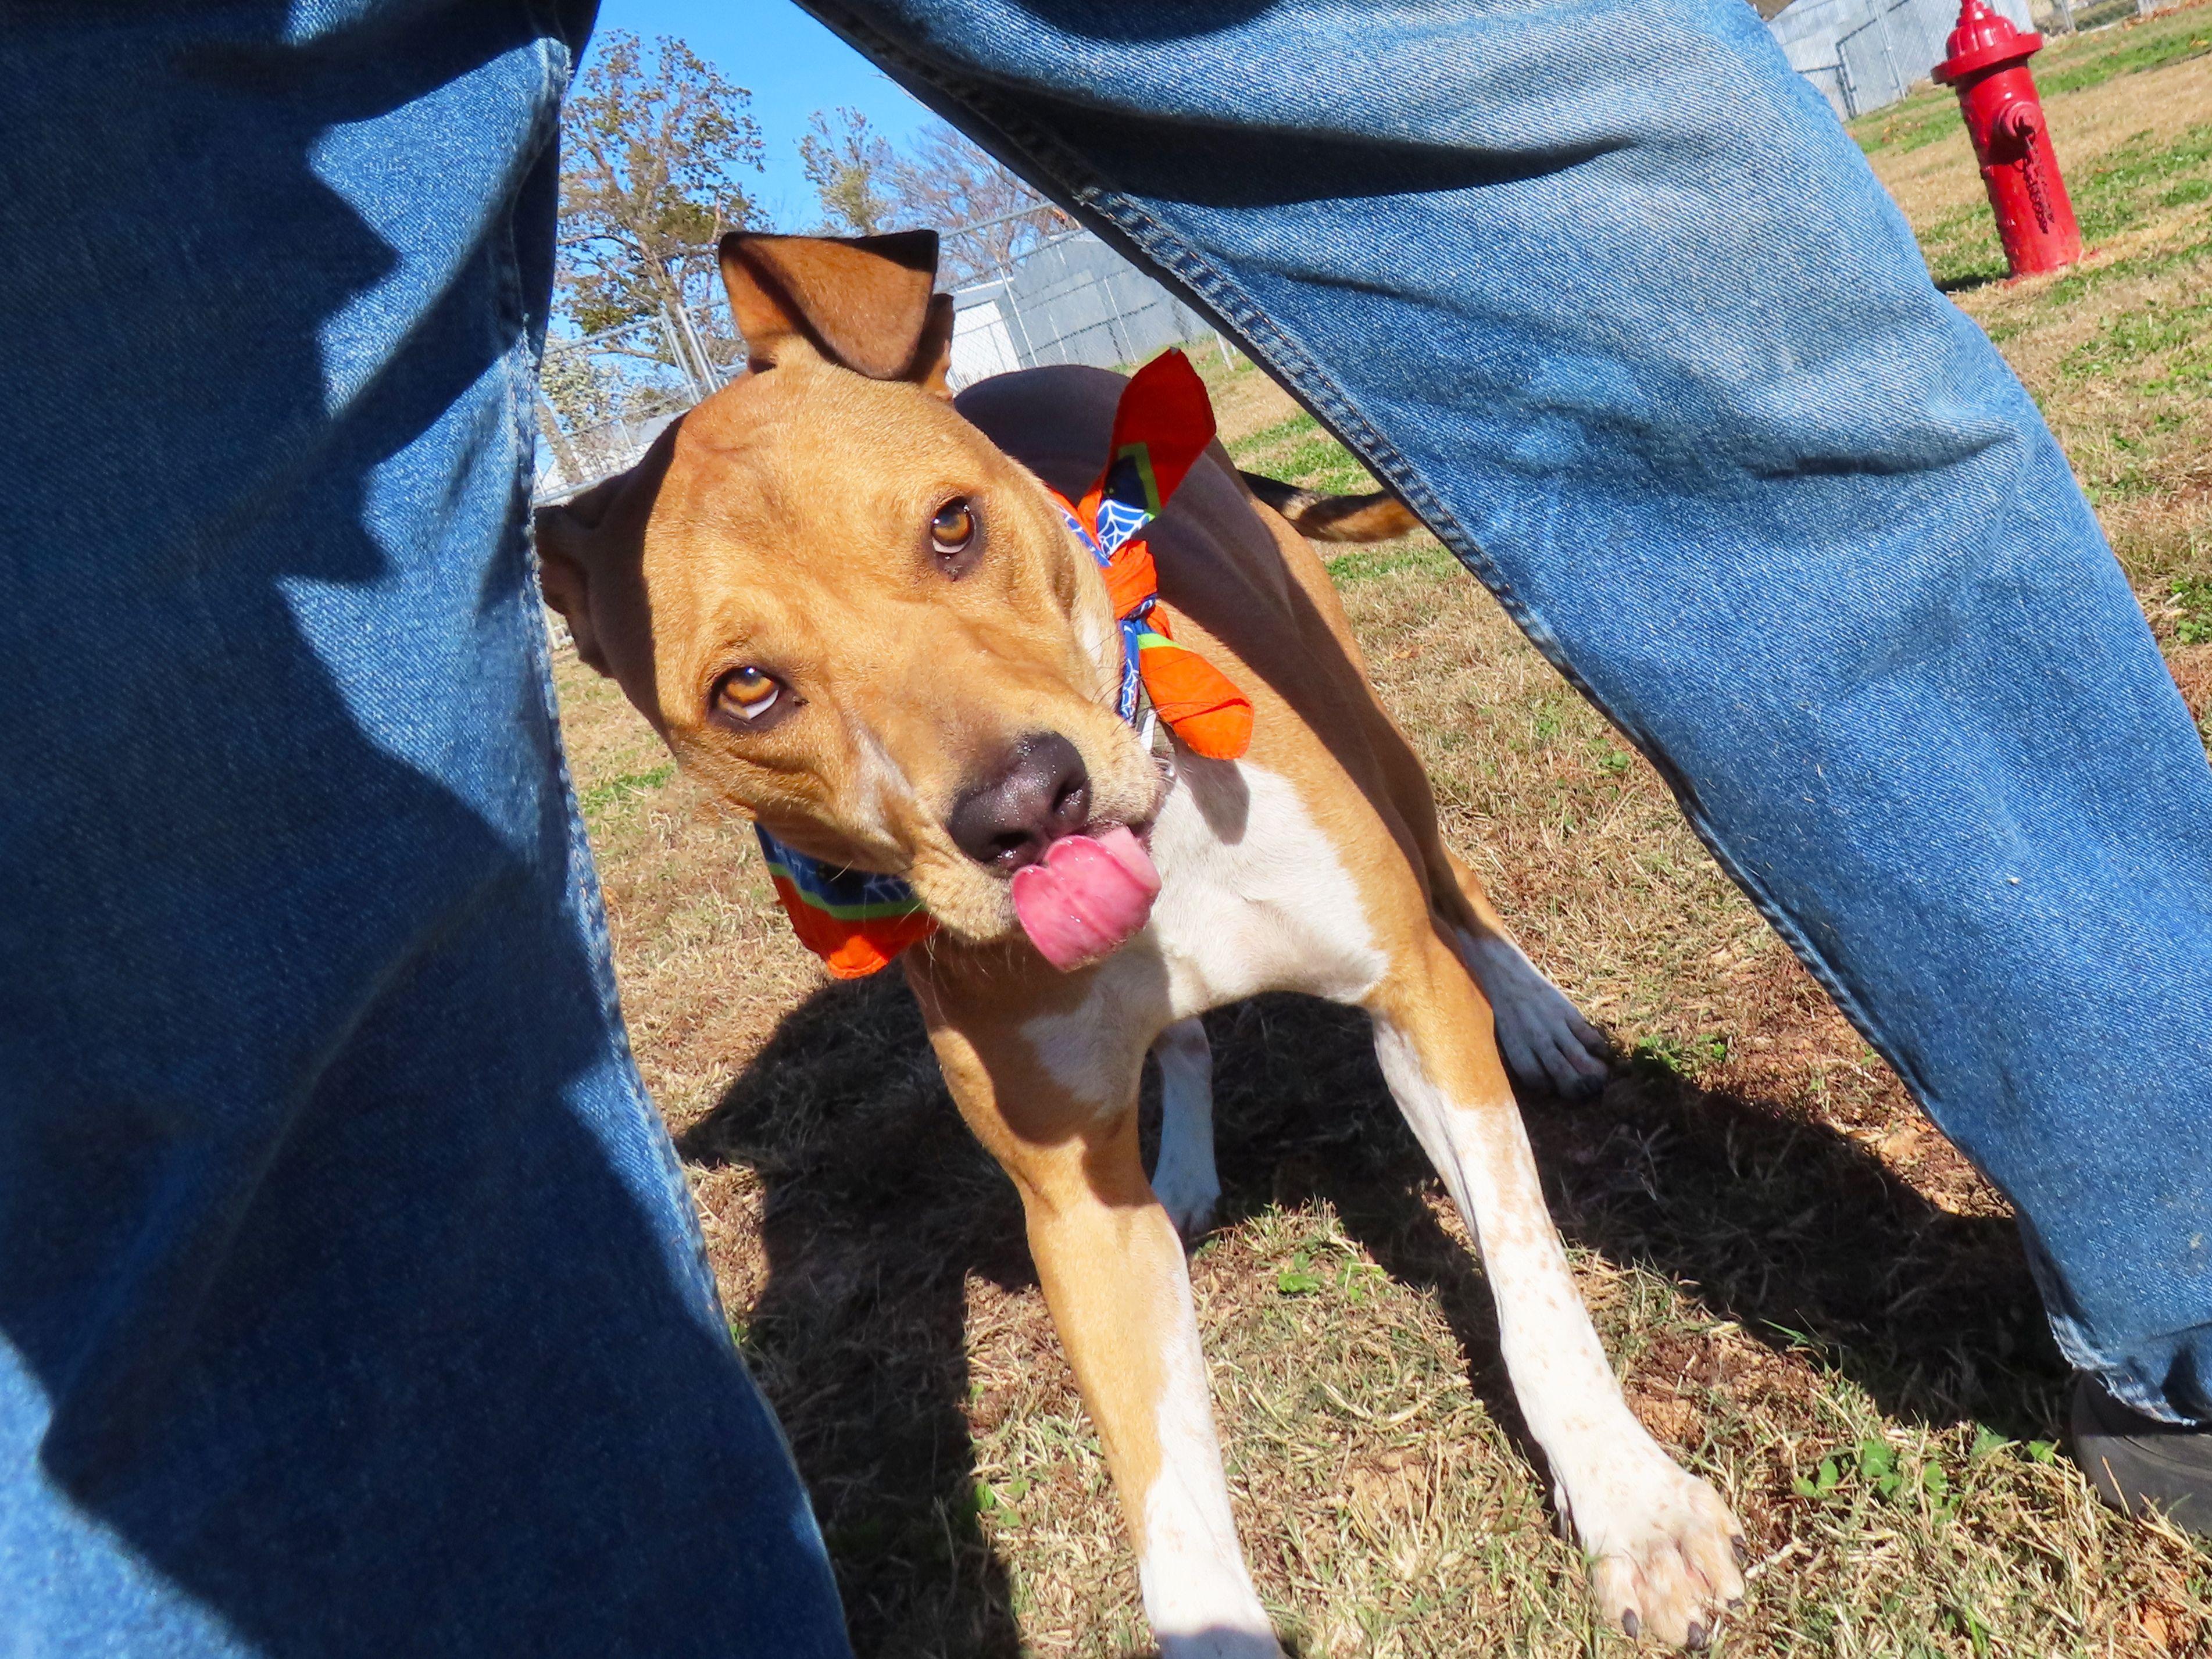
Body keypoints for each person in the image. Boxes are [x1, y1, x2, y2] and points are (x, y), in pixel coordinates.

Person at [1, 3, 2202, 1657]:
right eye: (758, 691)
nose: (981, 753)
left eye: (954, 537)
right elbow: (1069, 1205)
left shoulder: (947, 422)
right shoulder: (704, 672)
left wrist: (1591, 1422)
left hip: (1199, 679)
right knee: (172, 775)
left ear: (968, 434)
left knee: (1413, 841)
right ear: (626, 670)